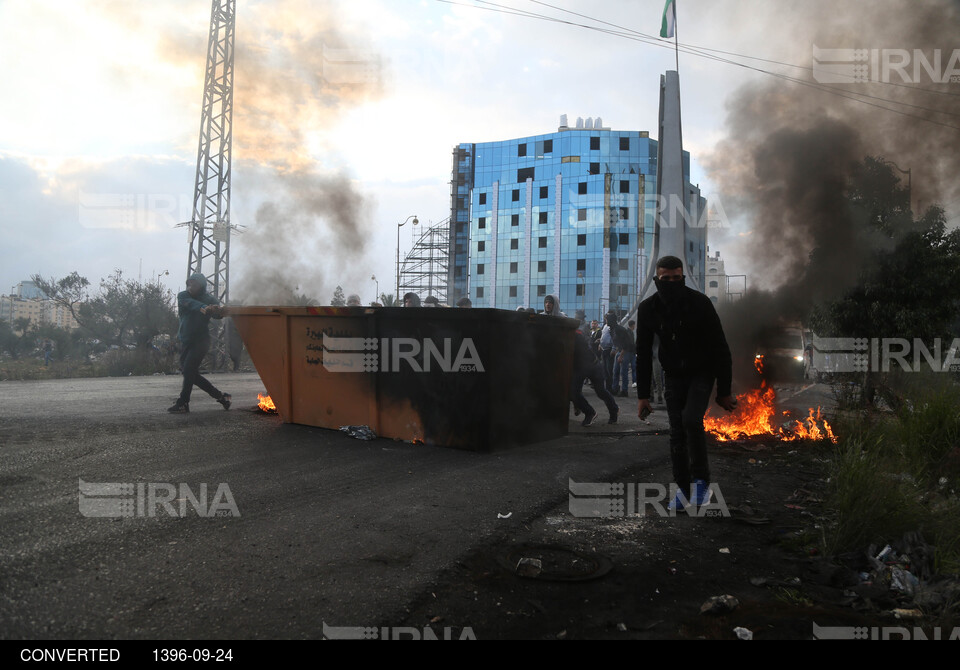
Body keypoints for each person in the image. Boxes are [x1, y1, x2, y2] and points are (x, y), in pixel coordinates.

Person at [636, 256, 736, 509]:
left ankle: (701, 483)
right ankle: (682, 490)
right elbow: (643, 353)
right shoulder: (648, 308)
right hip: (673, 376)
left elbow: (721, 348)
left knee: (691, 420)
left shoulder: (699, 303)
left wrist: (724, 391)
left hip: (702, 371)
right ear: (657, 279)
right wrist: (643, 395)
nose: (671, 283)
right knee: (677, 431)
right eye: (666, 279)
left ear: (683, 277)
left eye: (676, 278)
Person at [168, 273, 231, 414]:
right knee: (189, 373)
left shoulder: (209, 299)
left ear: (201, 285)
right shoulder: (183, 296)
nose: (190, 286)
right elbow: (192, 304)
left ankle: (183, 403)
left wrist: (220, 311)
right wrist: (205, 308)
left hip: (201, 341)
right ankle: (222, 397)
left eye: (194, 284)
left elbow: (216, 313)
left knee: (189, 370)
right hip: (186, 340)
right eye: (189, 283)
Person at [571, 320, 619, 426]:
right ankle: (590, 413)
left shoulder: (577, 336)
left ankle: (614, 410)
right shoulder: (571, 335)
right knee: (573, 393)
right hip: (581, 367)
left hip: (593, 365)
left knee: (601, 391)